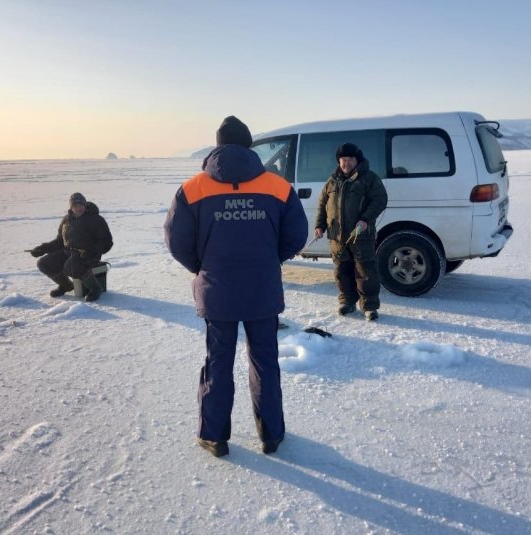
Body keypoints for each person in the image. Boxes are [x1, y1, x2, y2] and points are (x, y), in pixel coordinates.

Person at [164, 116, 308, 457]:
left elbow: (176, 240)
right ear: (249, 146)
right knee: (265, 362)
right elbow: (296, 235)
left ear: (217, 146)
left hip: (218, 292)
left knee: (218, 362)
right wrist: (270, 260)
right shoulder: (278, 186)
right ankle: (271, 435)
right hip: (261, 289)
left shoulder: (193, 188)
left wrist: (203, 268)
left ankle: (214, 436)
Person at [314, 143, 388, 321]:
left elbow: (380, 199)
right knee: (342, 271)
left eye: (349, 159)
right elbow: (322, 206)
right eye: (343, 160)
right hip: (337, 236)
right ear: (339, 161)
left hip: (361, 234)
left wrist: (366, 218)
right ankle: (347, 302)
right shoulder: (332, 181)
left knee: (365, 271)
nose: (346, 163)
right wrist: (319, 226)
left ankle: (369, 306)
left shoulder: (369, 178)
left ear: (357, 160)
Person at [29, 192, 113, 302]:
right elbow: (60, 241)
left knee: (71, 266)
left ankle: (95, 288)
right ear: (71, 207)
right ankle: (66, 285)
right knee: (43, 263)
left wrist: (92, 251)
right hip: (68, 252)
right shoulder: (66, 220)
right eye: (75, 206)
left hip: (89, 254)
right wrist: (42, 249)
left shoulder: (96, 219)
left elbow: (106, 241)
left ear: (85, 205)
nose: (78, 208)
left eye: (81, 205)